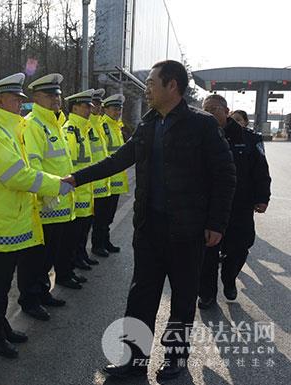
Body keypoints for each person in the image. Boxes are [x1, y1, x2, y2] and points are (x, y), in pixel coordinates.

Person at [64, 60, 236, 381]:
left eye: (152, 83)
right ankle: (134, 359)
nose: (147, 90)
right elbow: (118, 160)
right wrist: (77, 177)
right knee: (141, 295)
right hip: (149, 230)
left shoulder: (201, 125)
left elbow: (225, 175)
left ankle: (175, 359)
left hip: (188, 231)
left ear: (172, 86)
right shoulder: (148, 125)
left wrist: (217, 223)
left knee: (183, 299)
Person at [0, 73, 71, 357]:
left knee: (3, 286)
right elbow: (16, 175)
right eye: (16, 98)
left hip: (14, 219)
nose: (21, 102)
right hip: (2, 223)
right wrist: (57, 184)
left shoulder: (11, 129)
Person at [198, 95, 271, 308]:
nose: (209, 113)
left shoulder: (249, 138)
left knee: (240, 246)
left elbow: (260, 170)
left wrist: (262, 197)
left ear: (226, 110)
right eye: (206, 110)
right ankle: (207, 293)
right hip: (208, 206)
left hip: (239, 205)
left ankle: (229, 278)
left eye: (214, 109)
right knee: (207, 252)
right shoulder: (199, 137)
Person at [24, 73, 83, 298]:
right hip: (46, 204)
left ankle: (43, 293)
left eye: (57, 95)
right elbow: (34, 164)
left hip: (62, 203)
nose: (56, 99)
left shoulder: (55, 123)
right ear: (36, 97)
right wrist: (48, 192)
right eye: (50, 96)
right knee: (39, 258)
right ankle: (33, 297)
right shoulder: (34, 124)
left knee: (50, 255)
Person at [63, 89, 98, 271]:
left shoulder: (83, 129)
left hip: (85, 190)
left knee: (83, 231)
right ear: (75, 108)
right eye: (85, 106)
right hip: (76, 191)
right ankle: (70, 265)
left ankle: (80, 256)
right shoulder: (70, 131)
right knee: (73, 235)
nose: (89, 110)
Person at [92, 94, 128, 257]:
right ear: (105, 109)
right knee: (101, 215)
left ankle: (105, 241)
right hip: (105, 178)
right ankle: (97, 244)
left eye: (119, 109)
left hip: (116, 178)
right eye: (114, 109)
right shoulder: (103, 126)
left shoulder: (116, 126)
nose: (117, 112)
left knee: (109, 215)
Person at [87, 89, 112, 259]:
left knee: (105, 217)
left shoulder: (100, 125)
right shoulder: (85, 127)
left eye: (98, 104)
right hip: (91, 182)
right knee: (90, 222)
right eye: (93, 104)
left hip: (105, 180)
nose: (96, 107)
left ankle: (103, 242)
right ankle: (95, 246)